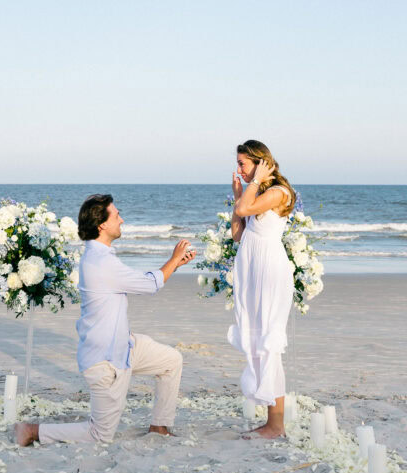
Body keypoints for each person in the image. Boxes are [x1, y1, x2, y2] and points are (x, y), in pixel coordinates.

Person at [15, 193, 195, 446]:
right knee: (99, 436)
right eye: (117, 214)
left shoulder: (102, 257)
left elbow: (144, 280)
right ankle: (32, 430)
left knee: (171, 361)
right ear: (102, 225)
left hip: (125, 347)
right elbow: (148, 284)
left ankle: (159, 426)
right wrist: (174, 259)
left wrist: (174, 266)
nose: (121, 219)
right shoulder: (100, 262)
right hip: (105, 361)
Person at [228, 140, 296, 439]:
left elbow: (245, 208)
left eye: (243, 164)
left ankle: (275, 424)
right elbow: (237, 235)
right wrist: (238, 197)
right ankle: (272, 420)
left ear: (260, 163)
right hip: (253, 272)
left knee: (269, 343)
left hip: (269, 272)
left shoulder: (278, 193)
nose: (239, 169)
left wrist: (246, 189)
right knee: (257, 340)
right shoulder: (258, 193)